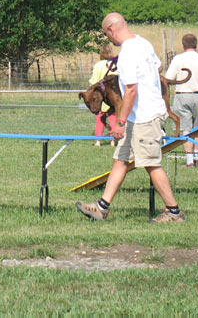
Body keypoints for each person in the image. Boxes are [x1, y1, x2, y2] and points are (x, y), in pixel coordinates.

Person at [77, 12, 185, 223]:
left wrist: (119, 122)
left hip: (145, 116)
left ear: (111, 30)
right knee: (120, 159)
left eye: (107, 36)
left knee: (151, 163)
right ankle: (102, 207)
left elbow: (132, 91)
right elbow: (158, 67)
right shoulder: (143, 43)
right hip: (139, 115)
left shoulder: (127, 54)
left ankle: (173, 212)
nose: (110, 40)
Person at [165, 34, 198, 168]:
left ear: (183, 45)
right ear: (196, 45)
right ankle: (197, 156)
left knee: (186, 129)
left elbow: (168, 79)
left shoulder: (178, 59)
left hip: (183, 95)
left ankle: (189, 161)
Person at [88, 44, 117, 147]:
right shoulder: (114, 65)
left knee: (99, 118)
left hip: (100, 96)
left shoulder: (98, 65)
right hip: (112, 96)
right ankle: (113, 141)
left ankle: (98, 141)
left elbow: (93, 82)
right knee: (113, 117)